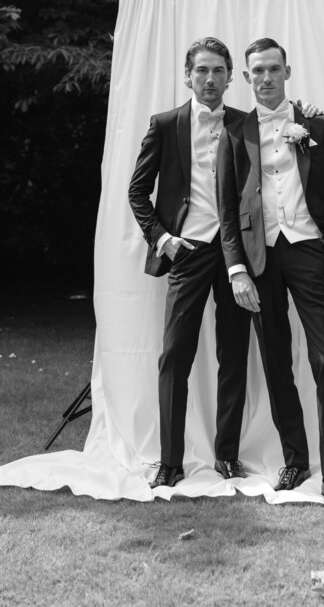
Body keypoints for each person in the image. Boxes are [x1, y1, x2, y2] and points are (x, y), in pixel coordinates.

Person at [217, 37, 324, 509]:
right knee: (275, 359)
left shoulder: (319, 123)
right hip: (259, 258)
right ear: (247, 78)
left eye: (274, 69)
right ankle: (296, 458)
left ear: (287, 72)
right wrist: (237, 268)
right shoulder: (234, 131)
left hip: (308, 250)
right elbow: (227, 210)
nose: (266, 78)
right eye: (257, 71)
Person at [128, 37, 249, 489]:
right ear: (187, 75)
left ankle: (228, 456)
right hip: (187, 251)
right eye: (202, 70)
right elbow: (137, 192)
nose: (210, 79)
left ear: (230, 76)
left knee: (234, 355)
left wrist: (308, 114)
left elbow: (280, 149)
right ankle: (170, 460)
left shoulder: (245, 124)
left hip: (235, 254)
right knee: (174, 356)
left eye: (218, 70)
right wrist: (162, 239)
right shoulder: (165, 124)